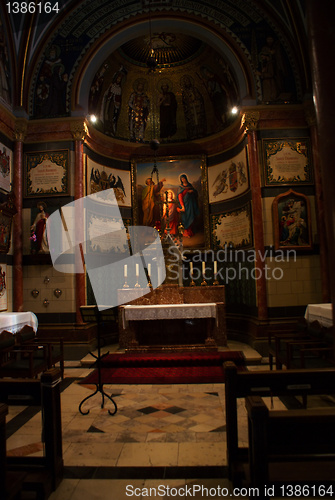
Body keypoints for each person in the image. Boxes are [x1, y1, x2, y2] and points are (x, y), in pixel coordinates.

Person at [100, 66, 127, 136]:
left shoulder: (119, 89)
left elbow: (119, 100)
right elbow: (106, 93)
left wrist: (117, 104)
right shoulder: (111, 85)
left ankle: (111, 130)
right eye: (118, 78)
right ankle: (106, 129)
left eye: (120, 79)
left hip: (114, 106)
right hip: (109, 102)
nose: (118, 80)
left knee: (112, 117)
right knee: (106, 115)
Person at [180, 75, 206, 139]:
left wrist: (196, 100)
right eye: (185, 82)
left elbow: (200, 97)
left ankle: (201, 133)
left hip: (197, 108)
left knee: (199, 120)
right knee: (192, 122)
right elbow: (184, 102)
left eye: (188, 81)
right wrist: (189, 102)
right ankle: (193, 134)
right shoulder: (184, 92)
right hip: (190, 109)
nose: (187, 82)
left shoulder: (195, 89)